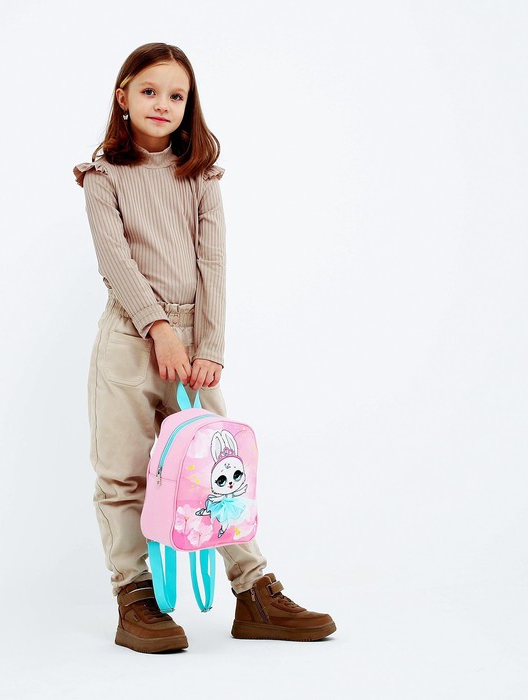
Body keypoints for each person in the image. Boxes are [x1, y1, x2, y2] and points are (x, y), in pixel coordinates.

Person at [73, 42, 335, 653]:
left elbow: (212, 262)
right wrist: (158, 328)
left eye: (176, 95)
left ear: (188, 106)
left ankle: (254, 591)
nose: (162, 104)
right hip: (128, 341)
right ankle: (135, 598)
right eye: (149, 91)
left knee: (217, 470)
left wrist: (209, 344)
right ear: (123, 96)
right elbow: (115, 261)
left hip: (194, 345)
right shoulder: (102, 178)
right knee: (123, 474)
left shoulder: (200, 177)